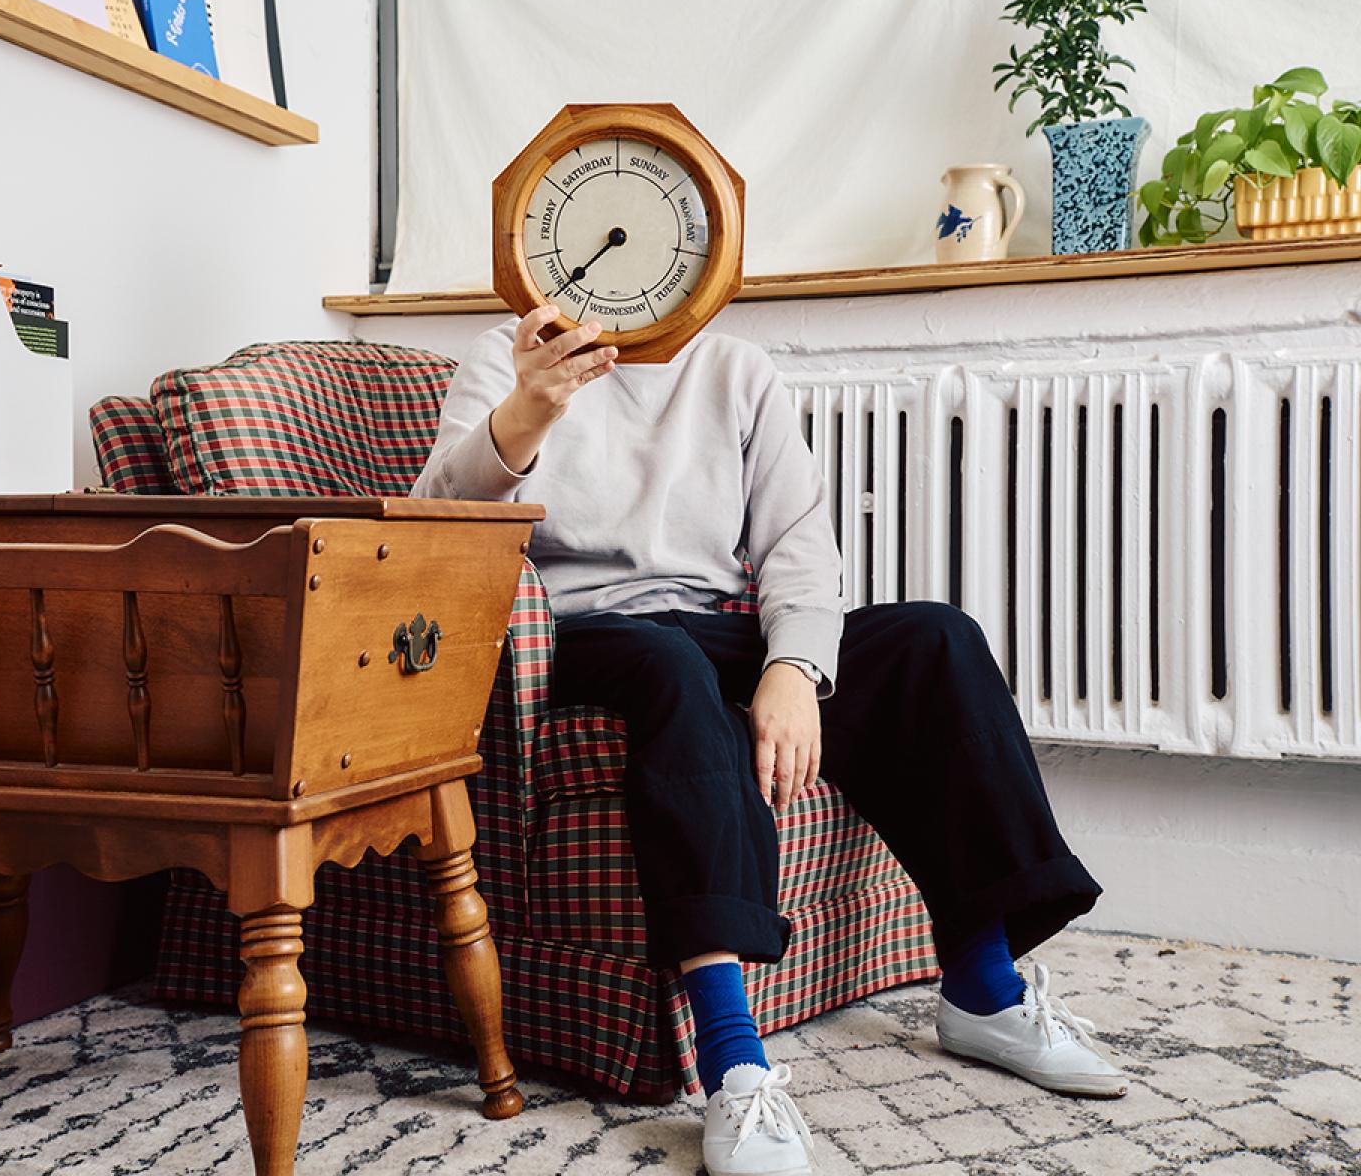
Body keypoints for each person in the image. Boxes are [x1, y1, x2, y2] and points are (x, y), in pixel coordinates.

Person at [409, 305, 1128, 1176]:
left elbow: (795, 543)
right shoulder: (501, 357)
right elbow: (433, 530)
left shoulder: (734, 369)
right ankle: (733, 1062)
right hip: (580, 631)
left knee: (935, 638)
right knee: (669, 666)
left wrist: (792, 667)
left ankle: (983, 988)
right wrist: (528, 409)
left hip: (717, 621)